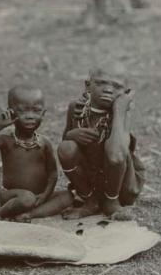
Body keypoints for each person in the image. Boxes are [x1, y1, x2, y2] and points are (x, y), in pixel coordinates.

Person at [0, 86, 73, 222]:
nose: (30, 116)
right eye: (23, 111)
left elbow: (53, 173)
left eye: (36, 111)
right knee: (27, 198)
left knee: (68, 196)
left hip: (39, 196)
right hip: (12, 196)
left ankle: (28, 215)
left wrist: (45, 194)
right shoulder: (7, 140)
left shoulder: (44, 143)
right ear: (11, 112)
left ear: (43, 113)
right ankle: (0, 214)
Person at [57, 68, 145, 220]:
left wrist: (119, 109)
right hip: (89, 179)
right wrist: (73, 135)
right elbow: (65, 141)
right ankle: (90, 202)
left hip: (119, 183)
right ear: (87, 85)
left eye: (117, 87)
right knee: (66, 148)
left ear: (126, 92)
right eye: (101, 83)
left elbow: (117, 155)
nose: (109, 90)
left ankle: (111, 202)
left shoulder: (122, 114)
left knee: (115, 154)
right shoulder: (76, 108)